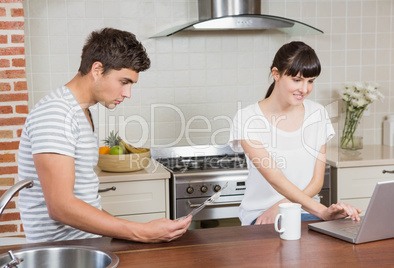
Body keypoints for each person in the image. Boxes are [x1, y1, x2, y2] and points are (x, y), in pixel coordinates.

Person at [18, 28, 192, 243]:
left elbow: (86, 201)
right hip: (61, 253)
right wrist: (141, 232)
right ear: (97, 70)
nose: (127, 93)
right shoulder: (56, 114)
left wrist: (140, 230)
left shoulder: (81, 111)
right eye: (124, 82)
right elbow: (61, 208)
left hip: (84, 245)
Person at [229, 41, 361, 226]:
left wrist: (284, 205)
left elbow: (316, 181)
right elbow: (275, 178)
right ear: (276, 74)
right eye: (297, 80)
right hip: (262, 215)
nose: (305, 89)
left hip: (306, 212)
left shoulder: (318, 114)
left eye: (311, 81)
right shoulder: (248, 118)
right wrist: (322, 211)